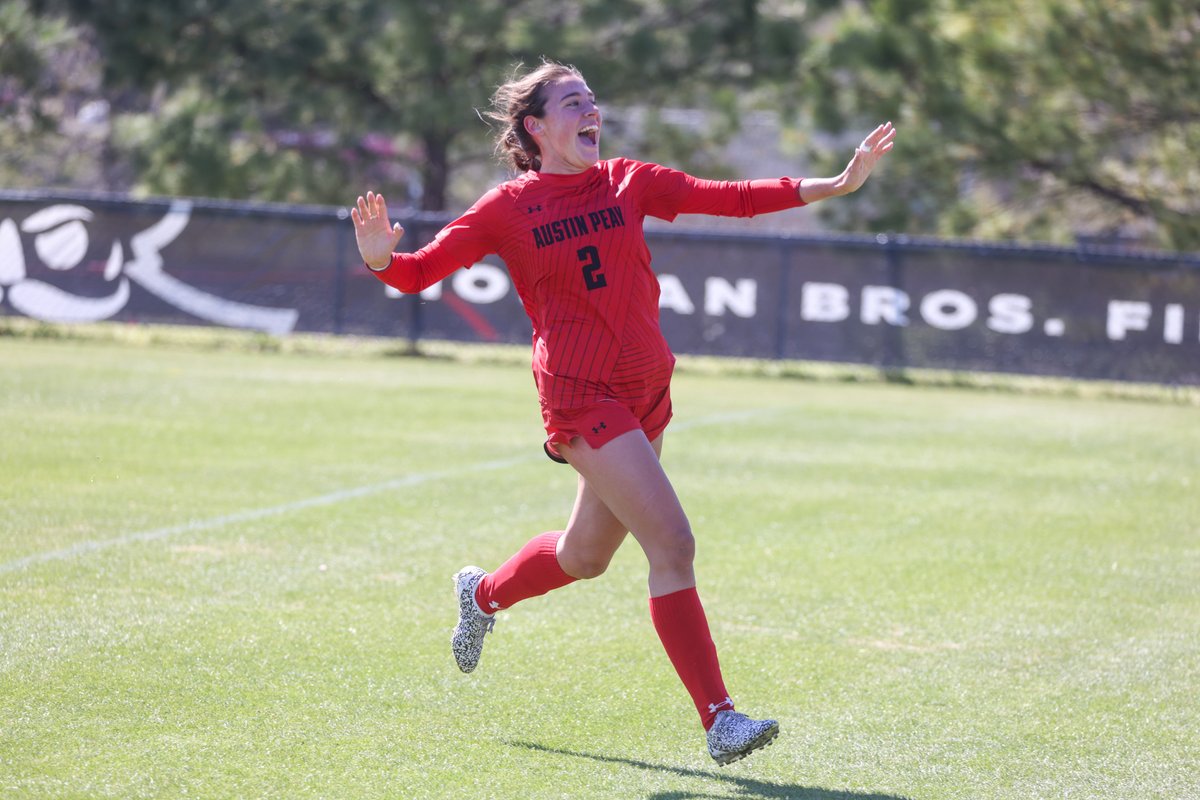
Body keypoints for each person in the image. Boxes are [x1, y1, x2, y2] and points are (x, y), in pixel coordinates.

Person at [351, 60, 895, 765]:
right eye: (572, 102)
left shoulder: (628, 181)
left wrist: (835, 184)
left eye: (592, 100)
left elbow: (730, 198)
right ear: (535, 127)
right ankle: (720, 719)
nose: (591, 111)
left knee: (584, 556)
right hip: (581, 395)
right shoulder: (506, 207)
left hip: (645, 390)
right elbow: (420, 271)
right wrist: (380, 261)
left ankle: (481, 595)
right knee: (673, 544)